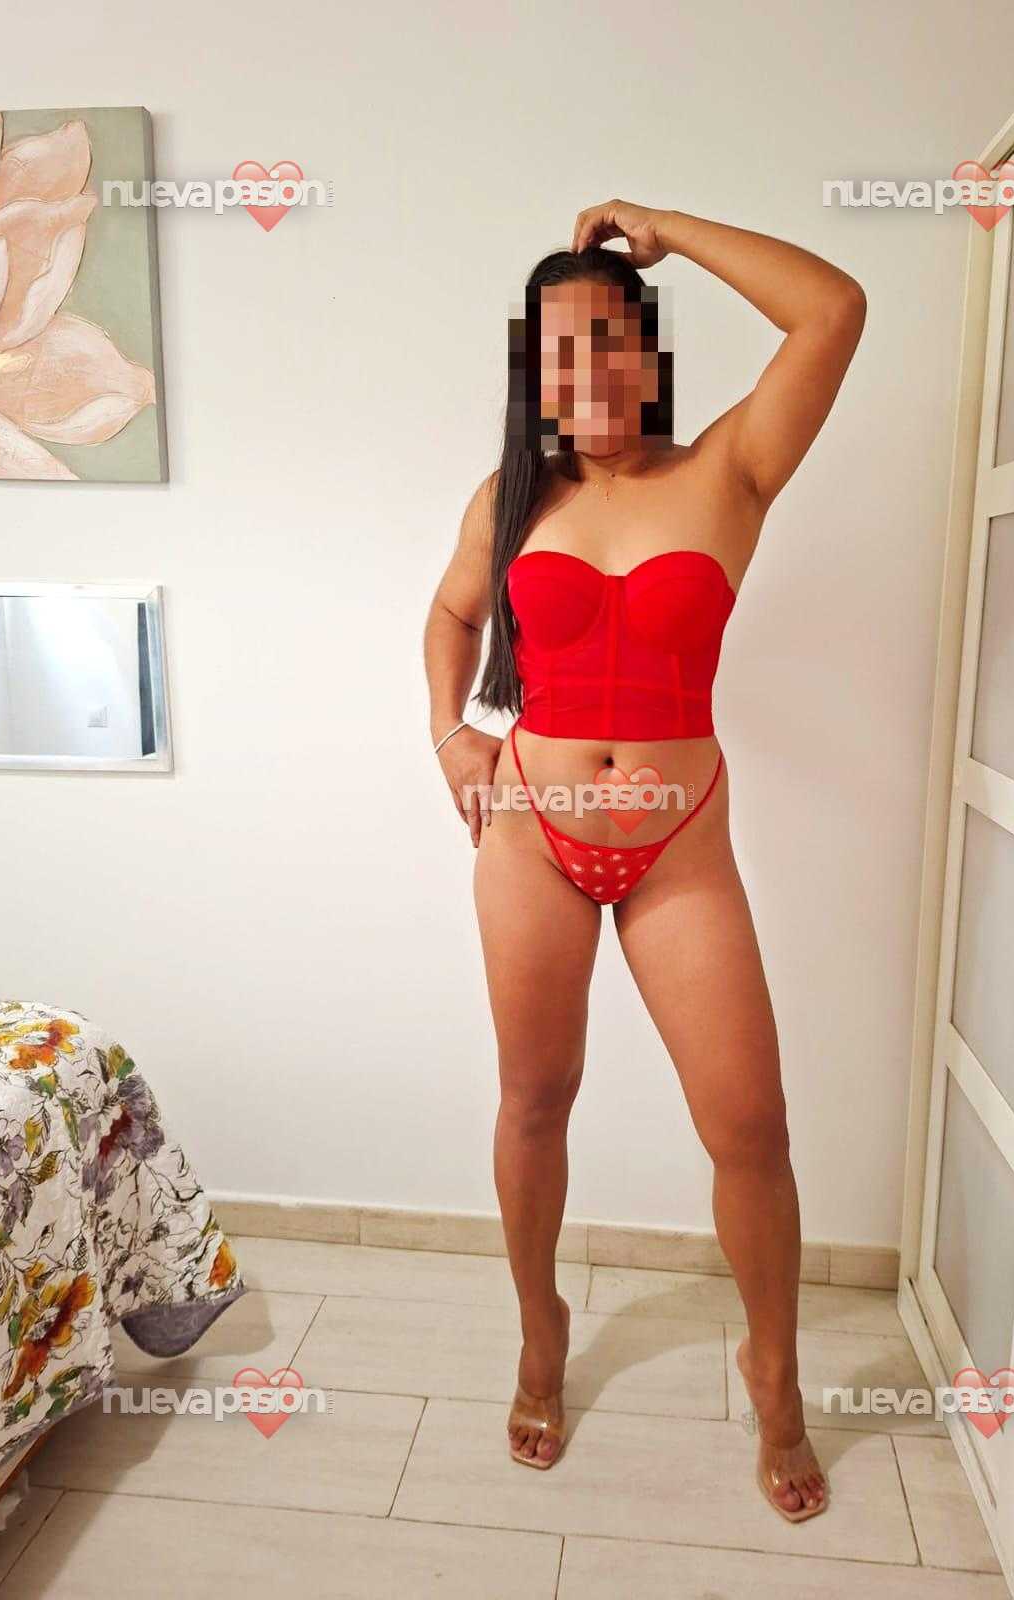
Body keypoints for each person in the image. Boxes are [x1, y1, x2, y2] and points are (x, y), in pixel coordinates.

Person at [423, 199, 865, 1521]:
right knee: (535, 1099)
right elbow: (448, 614)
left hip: (680, 852)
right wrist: (452, 735)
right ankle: (541, 1332)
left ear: (649, 354)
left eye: (612, 341)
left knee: (751, 1126)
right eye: (562, 351)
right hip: (531, 840)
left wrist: (665, 227)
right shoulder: (513, 499)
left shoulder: (729, 470)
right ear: (536, 372)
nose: (590, 372)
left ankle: (774, 1372)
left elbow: (832, 309)